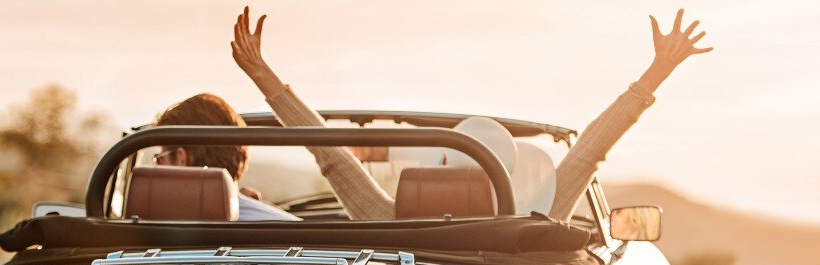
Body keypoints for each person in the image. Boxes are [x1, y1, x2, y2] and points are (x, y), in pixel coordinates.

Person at [229, 7, 712, 222]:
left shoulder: (389, 219)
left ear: (436, 173)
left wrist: (263, 75)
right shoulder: (537, 223)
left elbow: (329, 152)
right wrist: (655, 73)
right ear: (511, 176)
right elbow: (590, 150)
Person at [151, 93, 301, 221]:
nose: (156, 168)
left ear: (181, 158)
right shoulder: (295, 231)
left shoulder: (142, 232)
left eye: (160, 160)